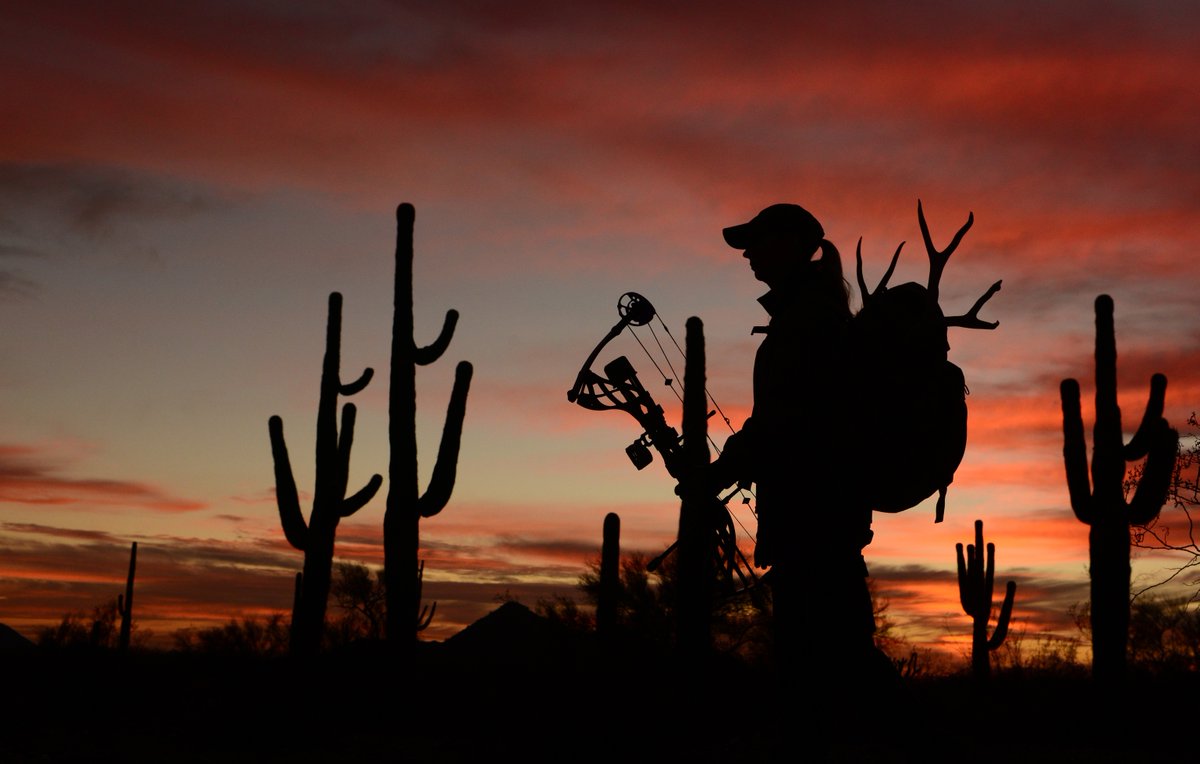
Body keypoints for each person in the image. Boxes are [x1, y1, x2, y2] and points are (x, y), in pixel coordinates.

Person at [708, 203, 879, 686]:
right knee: (837, 670)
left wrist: (718, 474)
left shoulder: (807, 319)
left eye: (754, 244)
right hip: (820, 525)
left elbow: (783, 420)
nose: (746, 256)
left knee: (828, 673)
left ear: (785, 246)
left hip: (815, 526)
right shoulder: (812, 313)